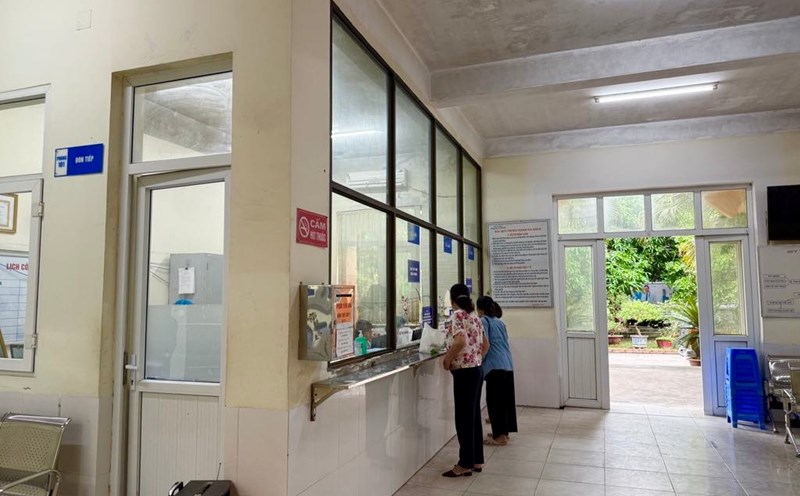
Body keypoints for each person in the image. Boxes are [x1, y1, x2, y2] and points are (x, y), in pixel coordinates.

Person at [441, 283, 484, 477]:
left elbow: (459, 341)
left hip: (464, 373)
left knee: (464, 419)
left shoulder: (458, 315)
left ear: (453, 300)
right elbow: (487, 344)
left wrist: (448, 358)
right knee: (473, 415)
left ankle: (464, 463)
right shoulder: (474, 316)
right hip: (476, 369)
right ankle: (476, 460)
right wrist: (475, 358)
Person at [477, 296, 517, 446]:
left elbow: (485, 345)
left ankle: (499, 437)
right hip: (507, 364)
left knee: (494, 401)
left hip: (495, 365)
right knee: (505, 400)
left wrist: (479, 360)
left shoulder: (483, 321)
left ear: (480, 309)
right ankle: (503, 433)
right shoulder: (500, 322)